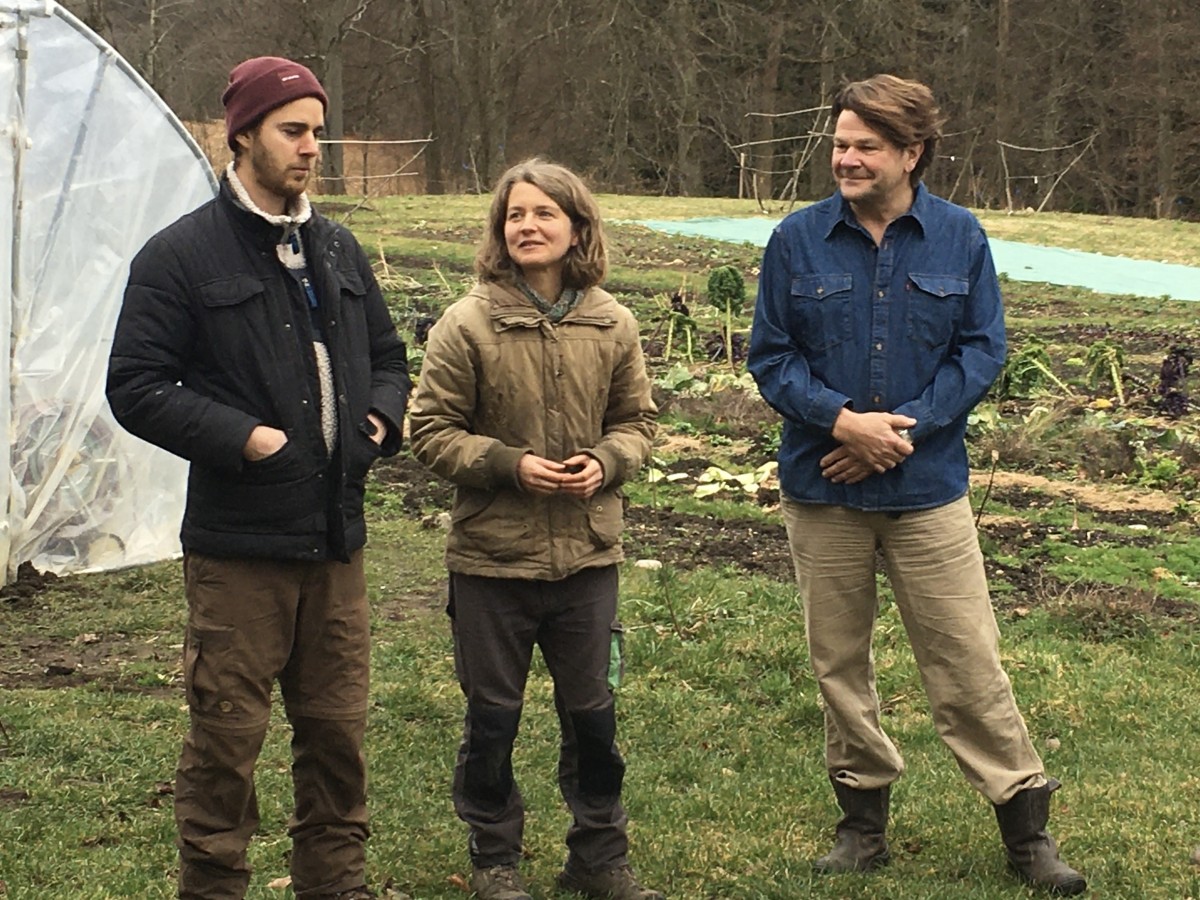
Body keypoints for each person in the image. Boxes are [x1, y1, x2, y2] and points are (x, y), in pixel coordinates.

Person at [747, 74, 1086, 895]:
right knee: (839, 665)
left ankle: (1024, 826)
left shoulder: (960, 237)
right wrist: (842, 422)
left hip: (926, 487)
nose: (847, 158)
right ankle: (862, 826)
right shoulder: (795, 240)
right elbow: (771, 357)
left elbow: (981, 350)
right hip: (822, 489)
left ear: (911, 152)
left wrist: (896, 433)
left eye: (865, 146)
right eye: (840, 144)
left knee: (967, 660)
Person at [106, 56, 410, 900]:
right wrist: (247, 440)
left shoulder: (338, 248)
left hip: (336, 543)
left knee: (336, 735)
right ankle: (212, 884)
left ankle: (334, 882)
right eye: (294, 130)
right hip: (240, 550)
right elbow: (136, 385)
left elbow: (387, 355)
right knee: (227, 739)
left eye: (318, 130)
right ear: (242, 135)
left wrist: (380, 420)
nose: (313, 147)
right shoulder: (179, 257)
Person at [408, 159, 662, 900]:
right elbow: (428, 430)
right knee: (492, 718)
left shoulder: (612, 323)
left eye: (545, 214)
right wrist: (506, 465)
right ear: (500, 231)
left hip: (587, 558)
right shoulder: (468, 324)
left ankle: (599, 857)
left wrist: (608, 461)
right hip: (492, 562)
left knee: (593, 718)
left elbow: (638, 422)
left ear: (577, 228)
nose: (528, 226)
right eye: (515, 215)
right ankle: (494, 859)